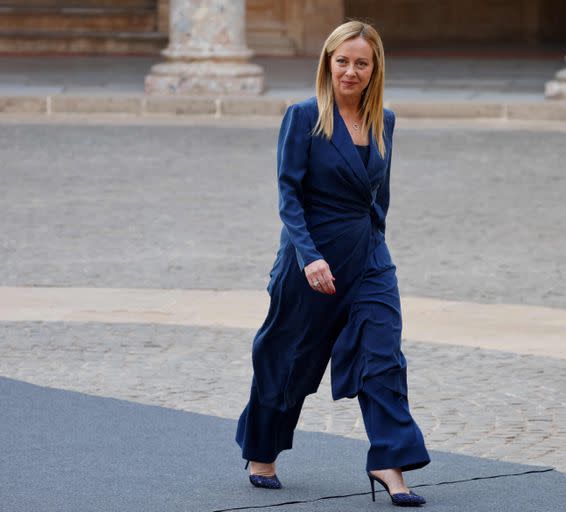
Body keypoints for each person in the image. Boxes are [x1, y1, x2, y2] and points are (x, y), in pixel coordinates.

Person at [235, 20, 430, 507]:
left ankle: (389, 460)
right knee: (290, 358)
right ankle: (262, 449)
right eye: (342, 61)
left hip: (367, 256)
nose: (350, 70)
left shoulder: (384, 120)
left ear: (374, 68)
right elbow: (288, 195)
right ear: (327, 63)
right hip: (311, 257)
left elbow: (378, 195)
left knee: (383, 353)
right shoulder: (303, 116)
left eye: (361, 63)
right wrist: (309, 257)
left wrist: (377, 245)